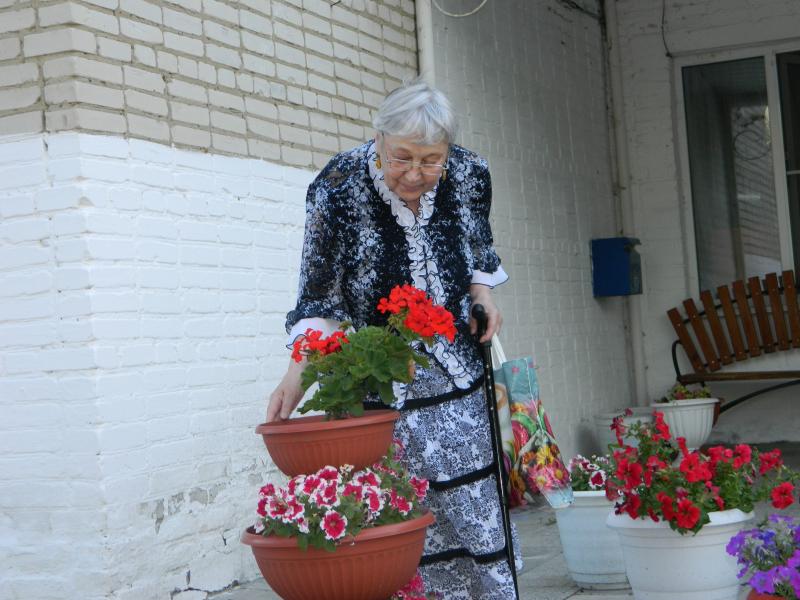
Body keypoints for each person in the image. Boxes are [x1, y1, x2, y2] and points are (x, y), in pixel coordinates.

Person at [266, 79, 515, 599]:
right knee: (406, 512)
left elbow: (477, 250)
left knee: (475, 506)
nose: (416, 174)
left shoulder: (469, 173)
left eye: (431, 161)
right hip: (381, 380)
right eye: (402, 158)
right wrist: (296, 375)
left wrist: (484, 296)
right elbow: (319, 298)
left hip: (457, 372)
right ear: (378, 140)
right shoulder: (337, 188)